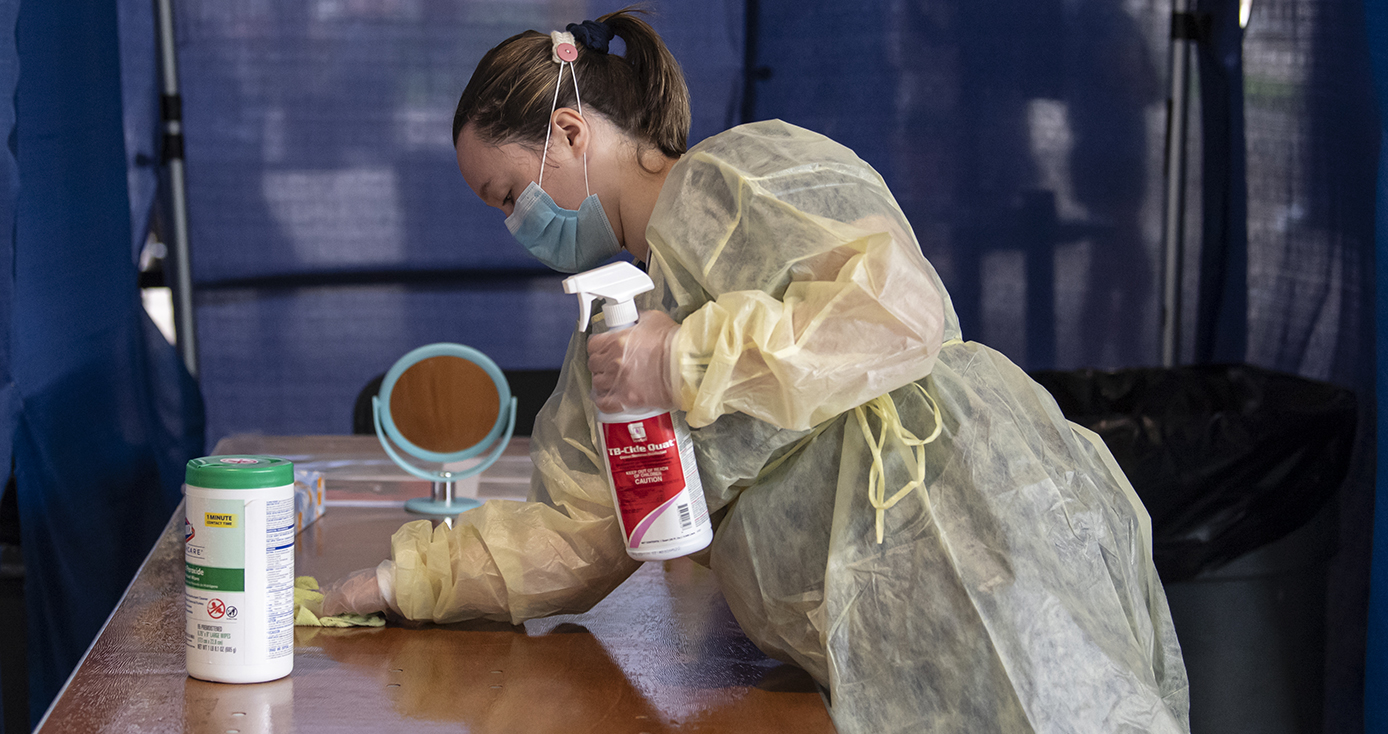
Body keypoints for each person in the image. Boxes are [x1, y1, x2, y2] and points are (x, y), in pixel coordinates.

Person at [324, 9, 1190, 733]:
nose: (515, 224)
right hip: (870, 618)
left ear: (569, 132)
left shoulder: (744, 180)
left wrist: (689, 355)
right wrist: (405, 583)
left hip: (972, 529)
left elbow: (897, 315)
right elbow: (581, 533)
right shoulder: (614, 338)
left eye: (510, 194)